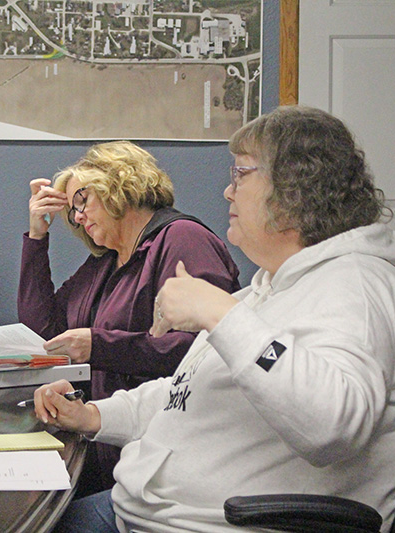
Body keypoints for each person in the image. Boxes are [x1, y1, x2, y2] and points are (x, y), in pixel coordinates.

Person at [33, 106, 395, 533]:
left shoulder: (357, 284)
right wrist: (93, 416)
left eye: (241, 174)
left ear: (294, 189)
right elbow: (187, 393)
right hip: (147, 509)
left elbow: (331, 425)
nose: (228, 192)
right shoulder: (275, 287)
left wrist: (220, 313)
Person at [18, 140, 241, 495]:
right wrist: (37, 234)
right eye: (72, 212)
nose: (77, 217)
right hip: (103, 451)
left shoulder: (183, 239)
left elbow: (200, 354)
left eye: (81, 200)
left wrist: (98, 346)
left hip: (160, 467)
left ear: (118, 184)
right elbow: (43, 328)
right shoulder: (106, 261)